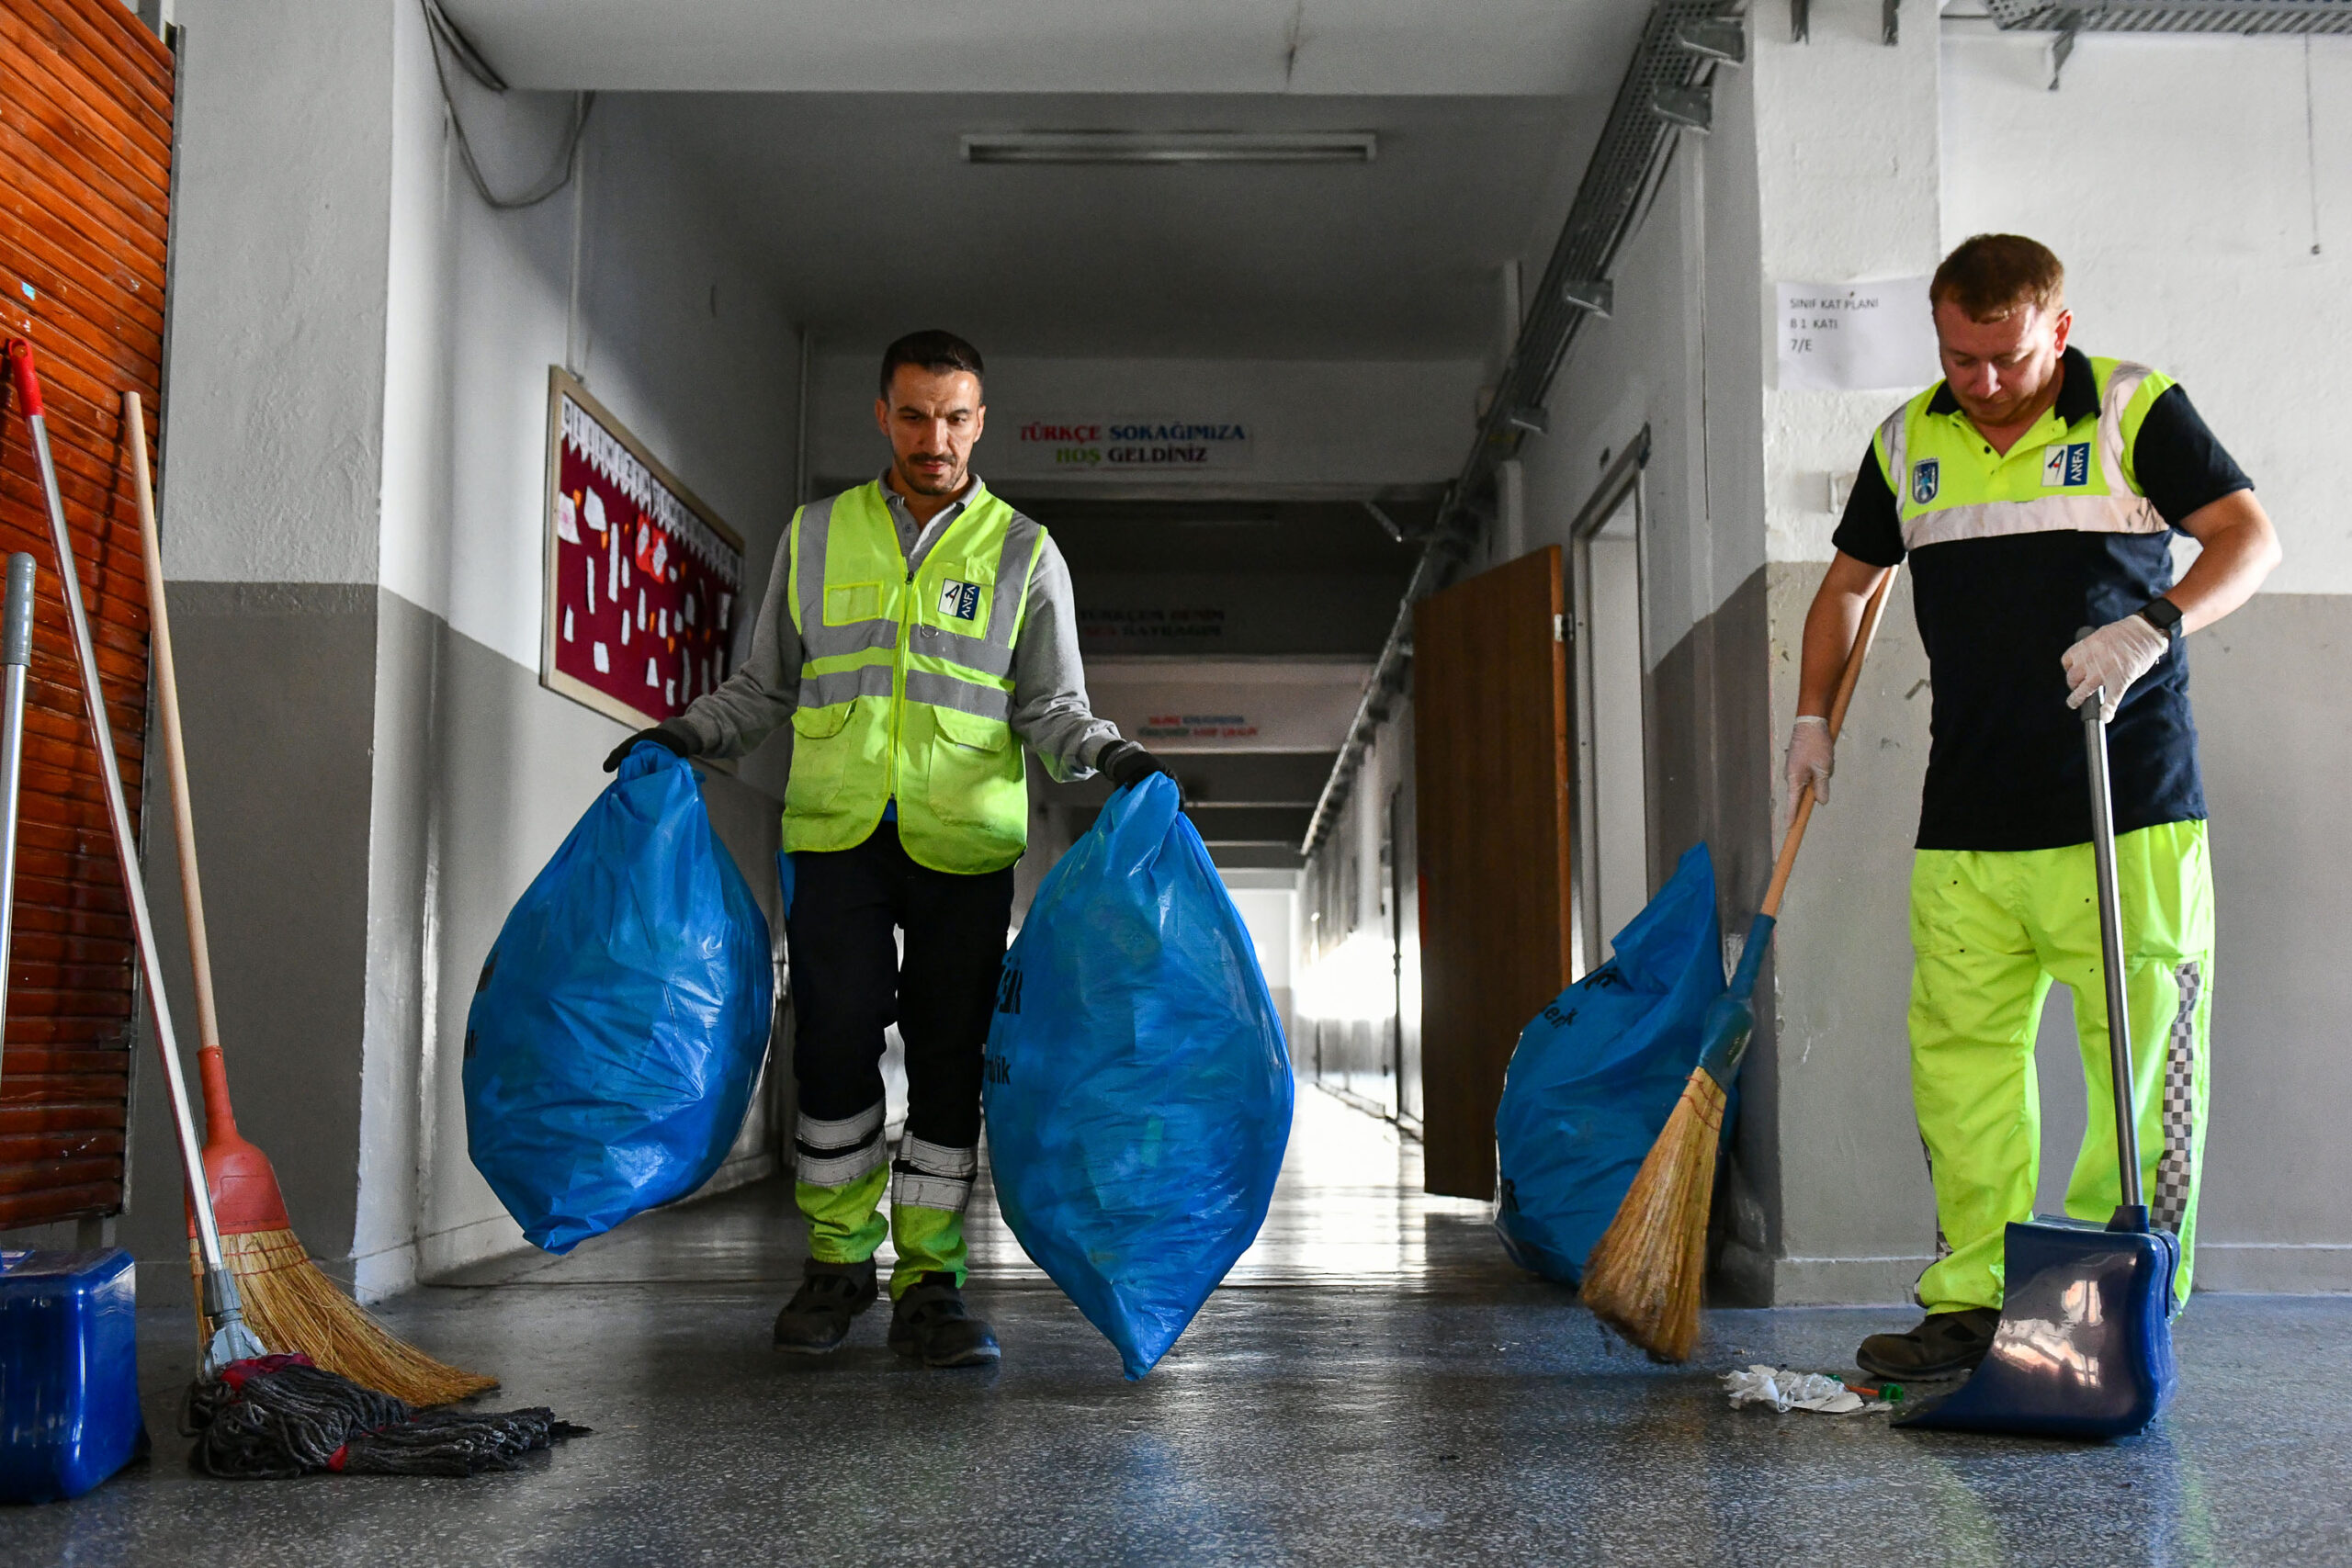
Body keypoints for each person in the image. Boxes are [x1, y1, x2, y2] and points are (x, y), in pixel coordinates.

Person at [605, 330, 1175, 1368]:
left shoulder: (1021, 551)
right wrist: (687, 732)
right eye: (914, 415)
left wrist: (1110, 757)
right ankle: (835, 1263)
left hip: (965, 842)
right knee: (830, 1040)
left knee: (951, 1059)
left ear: (981, 420)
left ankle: (931, 1281)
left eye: (955, 417)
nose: (935, 438)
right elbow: (764, 684)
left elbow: (1051, 706)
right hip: (837, 834)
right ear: (881, 414)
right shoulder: (816, 535)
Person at [1786, 236, 2280, 1381]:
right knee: (1960, 1068)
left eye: (2004, 358)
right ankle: (1972, 1305)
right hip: (1965, 818)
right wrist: (1812, 716)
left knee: (2140, 1063)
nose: (1983, 382)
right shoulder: (1908, 440)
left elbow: (2248, 538)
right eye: (1959, 358)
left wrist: (2151, 623)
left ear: (2054, 330)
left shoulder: (2130, 407)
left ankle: (2106, 1306)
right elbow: (1851, 584)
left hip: (2127, 807)